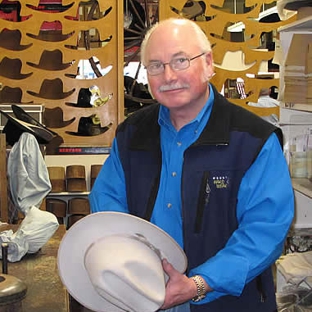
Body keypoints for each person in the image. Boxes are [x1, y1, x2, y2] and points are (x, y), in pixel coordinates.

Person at [89, 18, 294, 312]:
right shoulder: (130, 134)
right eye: (156, 66)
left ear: (208, 64)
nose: (168, 75)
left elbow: (265, 231)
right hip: (142, 295)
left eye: (180, 60)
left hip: (226, 303)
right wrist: (128, 265)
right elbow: (107, 204)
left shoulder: (252, 140)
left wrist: (198, 284)